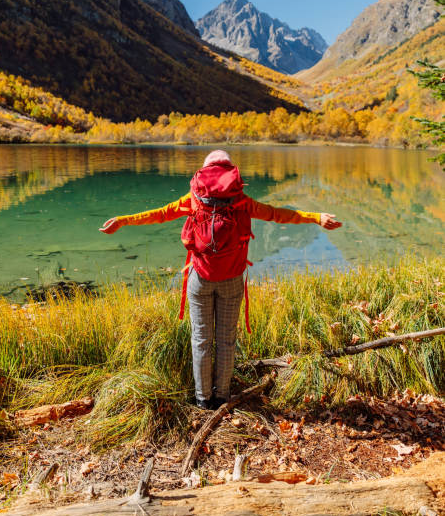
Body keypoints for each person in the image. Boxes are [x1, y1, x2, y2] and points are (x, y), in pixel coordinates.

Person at [100, 150, 342, 410]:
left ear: (204, 172)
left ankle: (203, 400)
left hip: (199, 279)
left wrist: (123, 221)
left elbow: (159, 213)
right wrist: (316, 217)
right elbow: (277, 214)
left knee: (200, 339)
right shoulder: (242, 202)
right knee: (226, 340)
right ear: (230, 173)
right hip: (232, 280)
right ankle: (223, 397)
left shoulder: (193, 200)